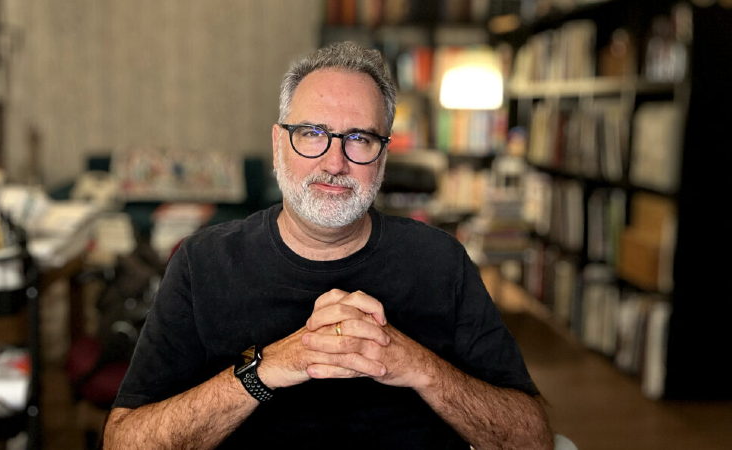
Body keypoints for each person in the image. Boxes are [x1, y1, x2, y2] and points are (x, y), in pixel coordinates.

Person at [103, 41, 554, 450]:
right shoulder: (203, 263)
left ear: (383, 157)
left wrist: (418, 366)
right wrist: (268, 369)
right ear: (279, 144)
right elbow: (124, 442)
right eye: (313, 133)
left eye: (360, 139)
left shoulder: (441, 261)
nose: (334, 162)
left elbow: (533, 439)